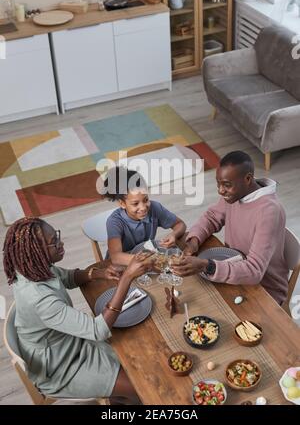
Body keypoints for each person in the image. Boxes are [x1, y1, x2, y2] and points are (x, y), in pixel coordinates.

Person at [3, 217, 154, 404]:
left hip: (67, 342)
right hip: (59, 367)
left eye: (57, 236)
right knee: (140, 386)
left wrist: (97, 273)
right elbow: (97, 330)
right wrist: (127, 278)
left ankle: (118, 397)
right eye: (54, 243)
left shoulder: (35, 269)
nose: (61, 243)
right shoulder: (39, 299)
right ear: (36, 253)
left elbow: (66, 277)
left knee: (137, 360)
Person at [171, 151, 289, 305]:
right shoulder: (236, 193)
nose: (220, 190)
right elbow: (212, 217)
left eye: (226, 185)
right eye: (218, 183)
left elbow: (254, 271)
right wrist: (194, 241)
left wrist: (208, 265)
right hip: (233, 269)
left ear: (247, 179)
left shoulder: (269, 211)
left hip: (264, 290)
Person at [102, 166, 186, 265]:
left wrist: (173, 234)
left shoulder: (154, 208)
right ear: (122, 204)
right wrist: (151, 260)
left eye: (146, 200)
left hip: (147, 260)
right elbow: (116, 257)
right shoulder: (114, 222)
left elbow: (180, 224)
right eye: (135, 203)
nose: (143, 208)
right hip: (122, 265)